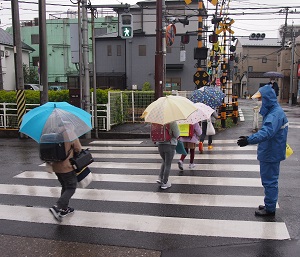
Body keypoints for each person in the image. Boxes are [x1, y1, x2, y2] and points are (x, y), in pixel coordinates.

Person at [237, 85, 288, 217]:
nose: (260, 102)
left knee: (269, 181)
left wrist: (249, 140)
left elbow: (266, 133)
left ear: (267, 99)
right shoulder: (274, 112)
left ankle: (270, 208)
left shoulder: (275, 114)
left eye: (261, 99)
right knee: (269, 180)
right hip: (271, 151)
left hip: (271, 153)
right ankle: (269, 203)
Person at [49, 124, 82, 221]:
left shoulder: (52, 133)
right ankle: (57, 207)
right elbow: (78, 149)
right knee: (71, 187)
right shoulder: (70, 133)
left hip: (56, 166)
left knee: (65, 186)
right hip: (66, 167)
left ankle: (64, 209)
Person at [156, 121, 180, 190]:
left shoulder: (158, 122)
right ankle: (165, 182)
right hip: (170, 144)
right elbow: (177, 134)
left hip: (160, 144)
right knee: (168, 164)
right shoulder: (172, 122)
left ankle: (160, 178)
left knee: (164, 161)